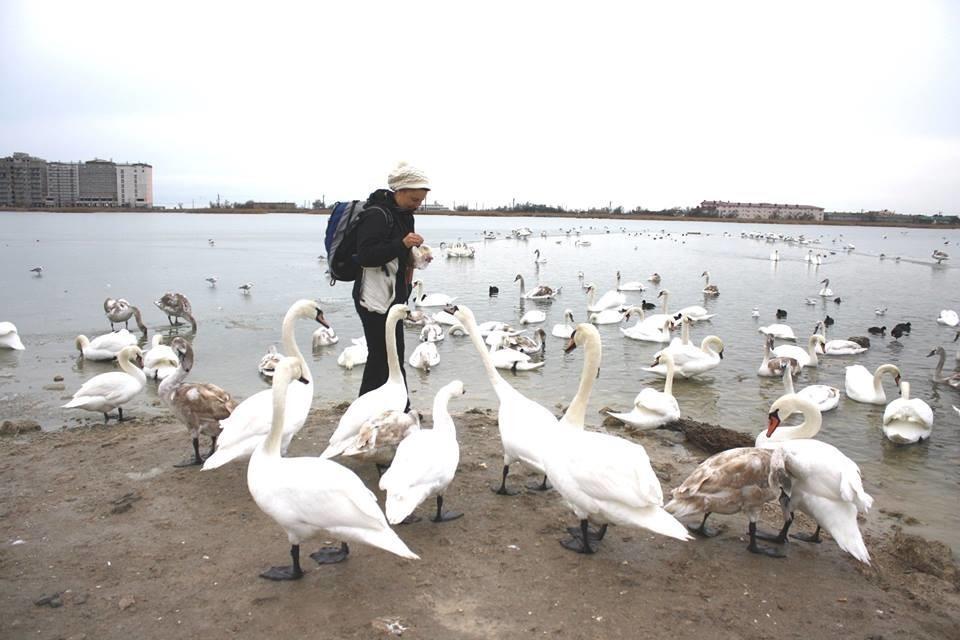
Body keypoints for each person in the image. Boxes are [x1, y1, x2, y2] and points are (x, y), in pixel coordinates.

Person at [353, 162, 430, 403]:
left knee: (391, 357)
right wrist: (403, 244)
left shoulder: (405, 216)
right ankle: (395, 410)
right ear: (399, 191)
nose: (417, 205)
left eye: (421, 201)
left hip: (395, 297)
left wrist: (417, 255)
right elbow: (365, 256)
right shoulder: (376, 215)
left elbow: (399, 254)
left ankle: (385, 409)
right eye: (414, 199)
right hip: (373, 298)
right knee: (382, 358)